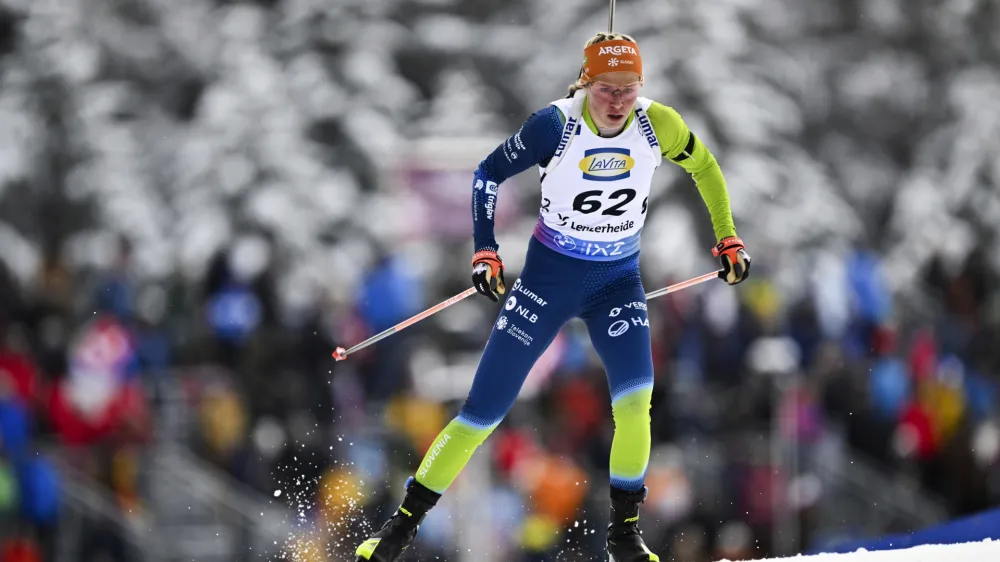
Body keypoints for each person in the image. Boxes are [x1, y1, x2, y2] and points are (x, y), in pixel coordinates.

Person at [356, 31, 751, 562]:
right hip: (547, 281)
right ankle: (398, 532)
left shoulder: (659, 124)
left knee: (636, 405)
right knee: (481, 413)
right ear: (586, 83)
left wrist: (727, 236)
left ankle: (625, 538)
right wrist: (485, 251)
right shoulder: (555, 125)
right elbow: (487, 173)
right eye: (606, 89)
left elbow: (704, 166)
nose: (618, 102)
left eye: (629, 88)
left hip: (617, 283)